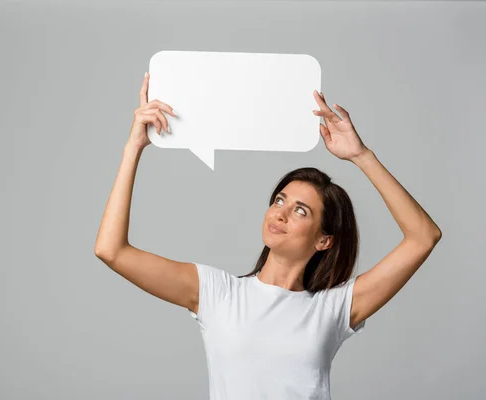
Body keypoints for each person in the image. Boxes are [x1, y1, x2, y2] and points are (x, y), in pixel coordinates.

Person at [94, 71, 442, 400]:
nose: (281, 213)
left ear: (325, 240)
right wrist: (133, 148)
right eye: (280, 200)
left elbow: (423, 236)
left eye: (301, 211)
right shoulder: (217, 294)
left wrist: (362, 156)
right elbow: (111, 250)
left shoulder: (332, 309)